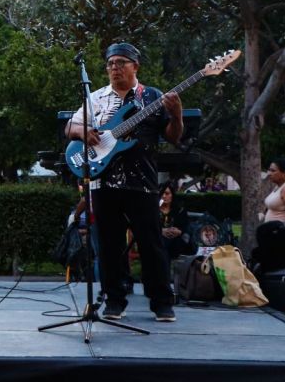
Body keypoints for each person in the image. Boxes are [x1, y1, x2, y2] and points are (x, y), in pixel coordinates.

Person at [64, 42, 183, 322]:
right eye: (110, 63)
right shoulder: (95, 98)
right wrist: (84, 132)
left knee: (151, 244)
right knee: (109, 245)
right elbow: (69, 127)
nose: (114, 68)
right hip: (103, 182)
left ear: (135, 66)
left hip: (142, 182)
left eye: (121, 62)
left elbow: (174, 137)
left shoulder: (151, 97)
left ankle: (162, 302)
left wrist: (176, 114)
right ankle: (115, 300)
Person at [159, 182, 195, 268]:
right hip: (160, 240)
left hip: (177, 241)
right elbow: (150, 226)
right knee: (163, 243)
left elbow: (185, 227)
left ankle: (164, 275)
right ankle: (164, 275)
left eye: (167, 193)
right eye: (162, 194)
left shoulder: (179, 210)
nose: (164, 196)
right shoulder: (154, 210)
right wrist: (161, 231)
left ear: (172, 195)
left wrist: (179, 231)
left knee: (167, 245)